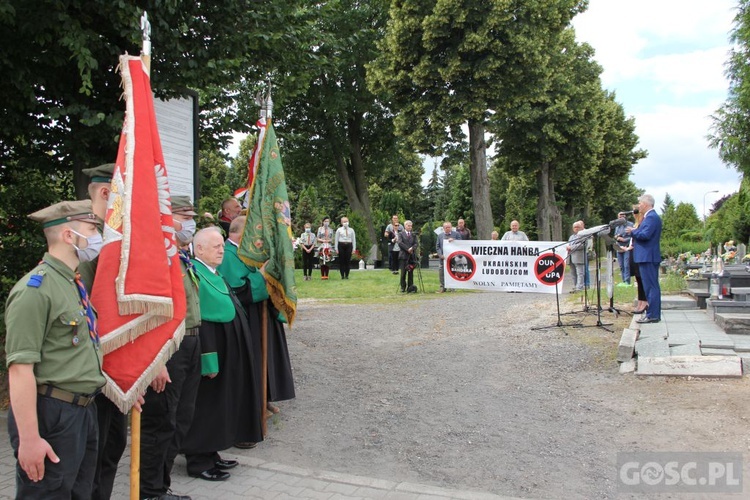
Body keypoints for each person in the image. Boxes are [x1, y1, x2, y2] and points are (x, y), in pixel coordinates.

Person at [5, 200, 106, 498]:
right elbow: (20, 369)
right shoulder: (35, 290)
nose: (97, 236)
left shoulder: (72, 283)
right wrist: (30, 439)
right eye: (91, 229)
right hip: (53, 413)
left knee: (79, 493)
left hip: (83, 411)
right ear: (68, 236)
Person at [182, 227, 264, 481]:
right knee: (208, 405)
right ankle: (198, 460)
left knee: (221, 404)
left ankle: (212, 452)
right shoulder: (195, 274)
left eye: (221, 245)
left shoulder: (213, 272)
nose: (221, 250)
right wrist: (208, 360)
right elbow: (200, 321)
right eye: (215, 246)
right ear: (200, 249)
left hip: (228, 350)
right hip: (213, 351)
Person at [139, 196, 201, 500]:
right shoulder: (156, 257)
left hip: (189, 341)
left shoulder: (181, 256)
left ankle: (161, 485)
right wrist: (156, 360)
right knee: (159, 421)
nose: (189, 223)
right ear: (165, 217)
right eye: (183, 216)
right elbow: (151, 312)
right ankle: (149, 490)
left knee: (180, 419)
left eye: (191, 217)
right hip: (168, 348)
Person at [80, 163, 129, 500]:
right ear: (104, 194)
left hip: (114, 373)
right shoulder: (84, 244)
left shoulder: (111, 240)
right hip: (90, 378)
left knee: (111, 449)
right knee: (90, 460)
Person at [218, 217, 295, 426]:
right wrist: (261, 277)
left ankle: (264, 397)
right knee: (251, 359)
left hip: (260, 312)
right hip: (246, 316)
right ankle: (254, 404)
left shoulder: (244, 252)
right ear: (243, 235)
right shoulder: (228, 254)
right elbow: (237, 288)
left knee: (265, 356)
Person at [626, 194, 662, 323]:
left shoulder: (651, 217)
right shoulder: (649, 217)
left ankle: (653, 315)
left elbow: (645, 235)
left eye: (640, 203)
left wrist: (633, 231)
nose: (638, 206)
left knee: (651, 287)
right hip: (645, 257)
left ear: (646, 204)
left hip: (648, 257)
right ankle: (652, 313)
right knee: (649, 287)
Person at [628, 205, 649, 314]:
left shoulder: (643, 222)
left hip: (639, 253)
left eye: (635, 211)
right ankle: (641, 301)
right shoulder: (636, 223)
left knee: (642, 280)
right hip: (633, 251)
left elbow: (641, 236)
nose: (634, 214)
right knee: (638, 279)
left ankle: (644, 302)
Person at [436, 221, 461, 293]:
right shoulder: (440, 236)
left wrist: (454, 240)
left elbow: (461, 243)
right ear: (443, 228)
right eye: (446, 227)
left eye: (449, 227)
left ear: (451, 227)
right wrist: (440, 255)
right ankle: (442, 287)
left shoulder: (456, 234)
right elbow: (437, 247)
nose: (448, 229)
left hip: (453, 258)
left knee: (453, 271)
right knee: (441, 272)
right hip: (443, 258)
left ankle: (452, 287)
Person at [566, 220, 590, 292]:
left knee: (580, 273)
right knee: (573, 273)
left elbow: (583, 245)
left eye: (578, 227)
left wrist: (571, 247)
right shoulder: (571, 237)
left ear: (581, 228)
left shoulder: (583, 235)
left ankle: (580, 287)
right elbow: (568, 244)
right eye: (575, 227)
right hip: (570, 257)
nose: (576, 228)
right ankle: (575, 286)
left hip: (579, 257)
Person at [613, 212, 634, 285]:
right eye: (619, 217)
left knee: (626, 265)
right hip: (619, 247)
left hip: (627, 247)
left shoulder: (630, 225)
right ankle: (623, 281)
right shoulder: (617, 226)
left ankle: (627, 281)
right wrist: (617, 237)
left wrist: (624, 239)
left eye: (622, 217)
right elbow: (615, 235)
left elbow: (633, 237)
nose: (620, 218)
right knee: (621, 265)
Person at [398, 220, 418, 293]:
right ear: (405, 226)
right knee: (403, 272)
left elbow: (416, 243)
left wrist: (412, 248)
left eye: (411, 226)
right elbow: (400, 243)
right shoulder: (401, 234)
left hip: (411, 256)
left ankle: (410, 287)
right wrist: (407, 249)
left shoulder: (413, 235)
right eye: (408, 226)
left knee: (411, 272)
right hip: (403, 256)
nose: (410, 227)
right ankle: (403, 287)